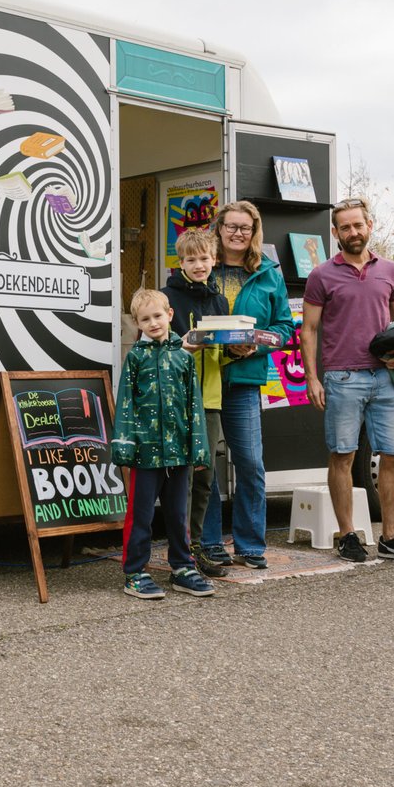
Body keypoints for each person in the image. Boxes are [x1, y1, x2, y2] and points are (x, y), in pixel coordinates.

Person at [300, 197, 394, 565]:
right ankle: (347, 535)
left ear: (369, 225)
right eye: (345, 227)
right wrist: (313, 378)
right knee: (342, 455)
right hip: (342, 378)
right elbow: (308, 330)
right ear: (335, 232)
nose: (353, 232)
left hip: (385, 378)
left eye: (358, 225)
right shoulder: (321, 275)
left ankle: (391, 537)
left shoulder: (391, 270)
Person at [110, 288, 217, 599]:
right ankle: (135, 572)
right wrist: (124, 447)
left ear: (170, 315)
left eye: (158, 316)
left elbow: (194, 405)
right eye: (146, 319)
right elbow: (126, 403)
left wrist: (198, 449)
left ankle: (183, 568)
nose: (153, 322)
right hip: (145, 454)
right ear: (137, 323)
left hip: (179, 452)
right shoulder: (135, 358)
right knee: (141, 514)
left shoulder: (184, 357)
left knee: (177, 513)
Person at [207, 200, 294, 570]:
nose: (238, 233)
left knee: (251, 464)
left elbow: (286, 328)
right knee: (204, 465)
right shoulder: (203, 267)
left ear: (254, 232)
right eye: (232, 226)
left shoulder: (268, 272)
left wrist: (256, 342)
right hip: (204, 377)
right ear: (219, 228)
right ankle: (208, 542)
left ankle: (249, 545)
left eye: (245, 227)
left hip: (245, 379)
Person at [161, 227, 229, 578]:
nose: (199, 265)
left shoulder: (220, 301)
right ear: (181, 262)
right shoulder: (166, 298)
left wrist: (236, 349)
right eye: (191, 259)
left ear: (214, 259)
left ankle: (196, 545)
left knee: (205, 477)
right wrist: (183, 347)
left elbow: (222, 355)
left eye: (204, 258)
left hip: (211, 399)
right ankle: (179, 551)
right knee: (181, 478)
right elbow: (155, 346)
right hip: (177, 399)